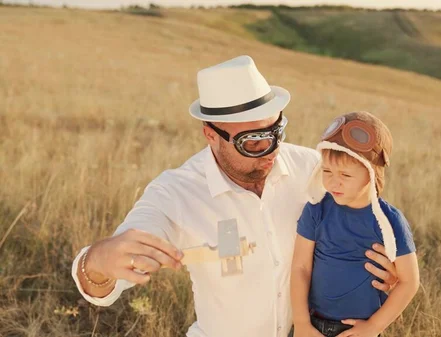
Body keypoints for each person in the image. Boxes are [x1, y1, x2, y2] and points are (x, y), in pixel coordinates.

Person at [71, 55, 399, 337]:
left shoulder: (313, 169)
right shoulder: (176, 193)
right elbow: (102, 284)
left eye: (276, 132)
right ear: (211, 136)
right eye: (254, 141)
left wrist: (385, 268)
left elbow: (364, 215)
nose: (272, 149)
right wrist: (99, 261)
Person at [291, 111, 420, 337]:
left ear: (371, 175)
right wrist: (301, 323)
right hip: (313, 326)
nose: (333, 181)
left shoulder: (389, 221)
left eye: (345, 175)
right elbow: (301, 268)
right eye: (327, 171)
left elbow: (409, 282)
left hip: (360, 331)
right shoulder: (316, 209)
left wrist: (374, 326)